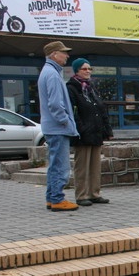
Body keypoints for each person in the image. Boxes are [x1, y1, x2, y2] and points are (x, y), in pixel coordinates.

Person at [37, 40, 79, 211]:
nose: (67, 55)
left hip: (52, 127)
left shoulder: (47, 72)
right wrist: (66, 122)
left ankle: (51, 197)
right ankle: (57, 199)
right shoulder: (53, 74)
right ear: (54, 54)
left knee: (54, 164)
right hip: (57, 127)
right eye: (64, 52)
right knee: (61, 165)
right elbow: (55, 105)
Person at [66, 58, 113, 207]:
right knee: (82, 166)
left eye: (89, 69)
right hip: (83, 134)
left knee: (95, 166)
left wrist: (107, 129)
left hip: (96, 133)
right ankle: (82, 195)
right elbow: (73, 112)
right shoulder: (71, 88)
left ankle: (94, 193)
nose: (87, 71)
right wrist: (81, 128)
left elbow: (101, 109)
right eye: (84, 69)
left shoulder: (91, 88)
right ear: (77, 71)